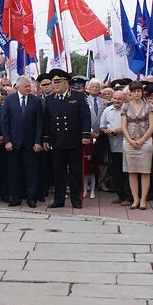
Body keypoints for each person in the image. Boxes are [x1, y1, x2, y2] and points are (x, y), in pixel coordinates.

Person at [42, 69, 90, 208]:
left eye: (58, 82)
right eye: (53, 82)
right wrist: (46, 139)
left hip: (74, 140)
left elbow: (85, 117)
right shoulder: (50, 99)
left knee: (75, 172)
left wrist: (85, 134)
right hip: (57, 141)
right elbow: (47, 120)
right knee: (59, 172)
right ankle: (59, 199)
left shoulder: (78, 97)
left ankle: (76, 199)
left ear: (66, 82)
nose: (55, 85)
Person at [1, 76, 42, 208]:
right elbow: (5, 122)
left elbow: (39, 123)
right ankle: (16, 197)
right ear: (18, 87)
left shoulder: (36, 101)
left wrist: (38, 142)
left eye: (29, 86)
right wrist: (7, 141)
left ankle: (31, 198)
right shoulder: (9, 100)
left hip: (30, 143)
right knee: (14, 171)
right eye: (26, 86)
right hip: (14, 143)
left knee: (31, 171)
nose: (29, 88)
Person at [121, 83, 153, 210]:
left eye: (138, 91)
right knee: (132, 171)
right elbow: (123, 126)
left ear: (142, 92)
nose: (136, 94)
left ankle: (143, 200)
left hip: (145, 141)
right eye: (134, 91)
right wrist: (130, 140)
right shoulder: (125, 106)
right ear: (130, 92)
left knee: (145, 171)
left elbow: (152, 126)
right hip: (129, 141)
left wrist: (141, 141)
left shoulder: (149, 106)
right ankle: (135, 199)